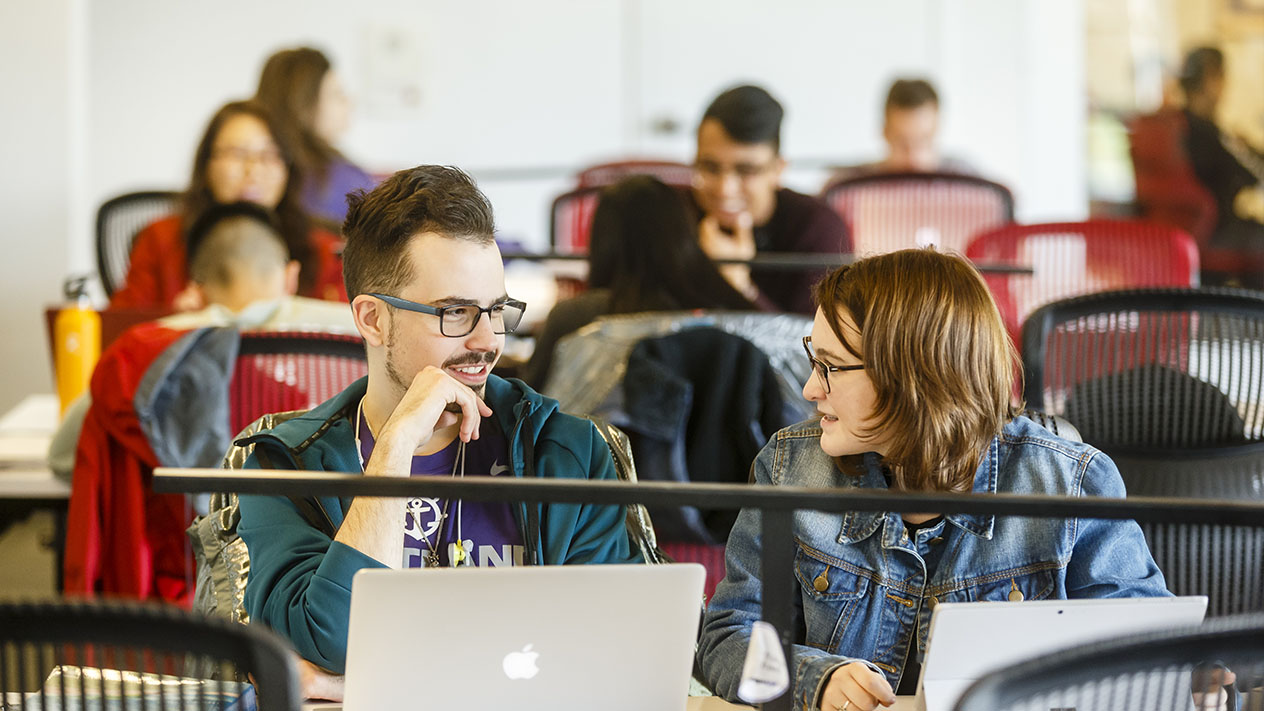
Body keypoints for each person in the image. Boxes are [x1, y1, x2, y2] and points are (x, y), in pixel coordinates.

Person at [696, 249, 1170, 711]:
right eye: (813, 361)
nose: (810, 388)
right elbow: (726, 636)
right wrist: (816, 682)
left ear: (912, 376)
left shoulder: (1070, 483)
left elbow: (1143, 654)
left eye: (831, 367)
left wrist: (1195, 673)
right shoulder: (788, 467)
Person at [234, 165, 641, 674]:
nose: (488, 341)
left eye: (496, 310)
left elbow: (609, 656)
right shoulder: (284, 464)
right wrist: (397, 444)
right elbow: (332, 643)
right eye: (455, 313)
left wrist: (393, 687)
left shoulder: (565, 451)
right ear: (372, 319)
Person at [61, 202, 357, 605]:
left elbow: (65, 458)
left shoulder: (147, 353)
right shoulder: (349, 331)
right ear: (290, 276)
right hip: (314, 588)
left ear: (195, 288)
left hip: (185, 594)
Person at [523, 175, 761, 388]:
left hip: (595, 439)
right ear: (686, 232)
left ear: (602, 241)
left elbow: (527, 406)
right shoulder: (735, 315)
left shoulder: (576, 318)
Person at [108, 100, 347, 310]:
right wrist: (174, 325)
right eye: (237, 154)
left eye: (269, 156)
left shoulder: (324, 251)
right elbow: (120, 332)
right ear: (207, 164)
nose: (252, 170)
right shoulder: (160, 240)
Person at [689, 85, 849, 315]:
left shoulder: (820, 228)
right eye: (710, 167)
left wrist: (741, 286)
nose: (726, 188)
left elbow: (818, 342)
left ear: (778, 169)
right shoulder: (671, 215)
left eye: (746, 170)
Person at [255, 46, 377, 225]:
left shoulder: (259, 174)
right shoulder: (346, 182)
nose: (349, 101)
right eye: (337, 94)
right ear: (303, 104)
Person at [1180, 47, 1264, 253]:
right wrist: (1246, 149)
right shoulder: (1208, 133)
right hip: (1217, 231)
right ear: (1210, 80)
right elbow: (1253, 173)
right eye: (1222, 78)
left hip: (1187, 230)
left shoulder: (1178, 125)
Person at [836, 79, 975, 179]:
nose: (912, 158)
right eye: (901, 142)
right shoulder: (851, 185)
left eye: (923, 140)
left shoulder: (969, 182)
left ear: (937, 130)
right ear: (884, 132)